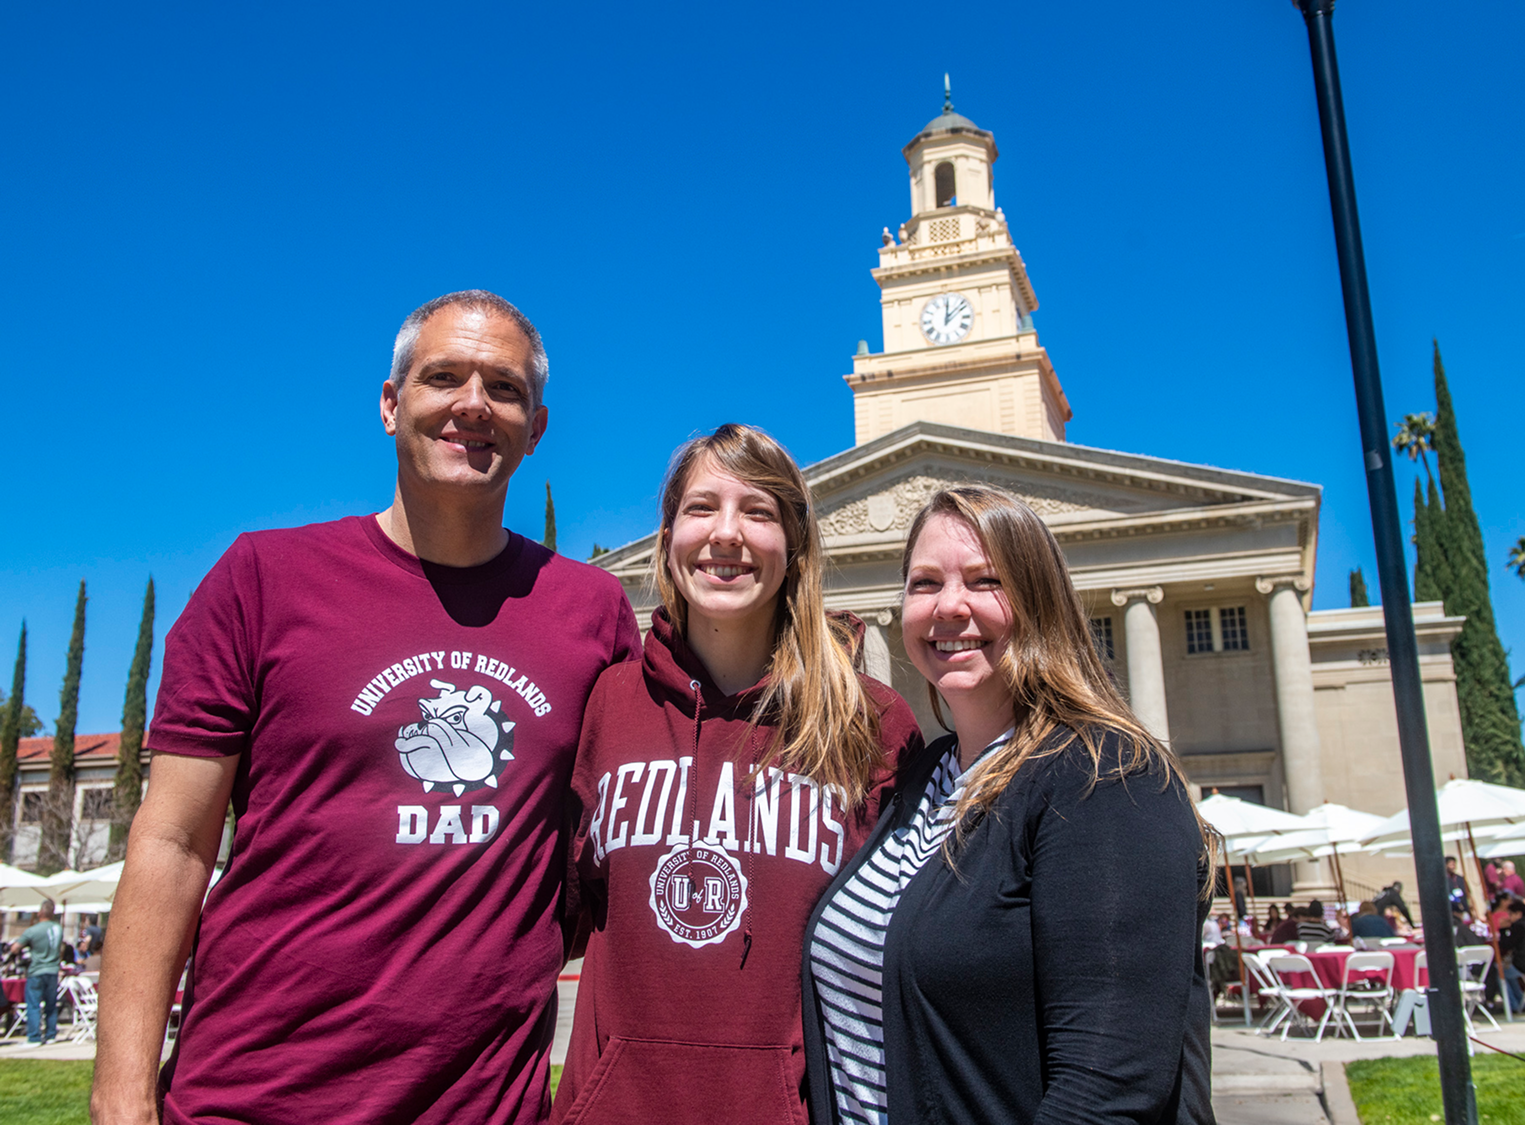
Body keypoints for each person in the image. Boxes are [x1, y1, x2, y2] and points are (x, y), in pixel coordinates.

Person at [91, 291, 642, 1125]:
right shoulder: (262, 579)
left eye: (503, 387)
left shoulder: (593, 614)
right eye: (444, 377)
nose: (471, 404)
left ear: (535, 428)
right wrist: (121, 1098)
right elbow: (171, 842)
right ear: (391, 404)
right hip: (251, 1097)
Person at [802, 485, 1213, 1125]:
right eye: (924, 582)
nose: (949, 606)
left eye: (985, 580)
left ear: (1039, 600)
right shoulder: (920, 780)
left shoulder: (1104, 778)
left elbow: (1108, 1092)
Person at [553, 424, 922, 1124]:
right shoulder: (607, 704)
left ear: (796, 547)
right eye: (701, 508)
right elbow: (548, 924)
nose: (727, 533)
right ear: (668, 538)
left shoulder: (870, 723)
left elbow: (904, 957)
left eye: (758, 511)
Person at [9, 900, 64, 1046]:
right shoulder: (58, 928)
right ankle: (51, 1035)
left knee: (33, 1004)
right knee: (51, 1004)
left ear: (40, 912)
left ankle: (34, 1037)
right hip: (53, 970)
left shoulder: (33, 930)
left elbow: (15, 948)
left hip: (37, 970)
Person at [1494, 896, 1525, 1012]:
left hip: (1523, 963)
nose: (1509, 918)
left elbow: (1506, 945)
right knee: (1509, 973)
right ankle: (1519, 1002)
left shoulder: (1519, 926)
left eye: (1510, 914)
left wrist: (1503, 929)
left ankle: (1512, 1004)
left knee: (1499, 971)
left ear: (1518, 914)